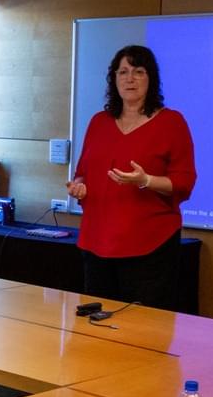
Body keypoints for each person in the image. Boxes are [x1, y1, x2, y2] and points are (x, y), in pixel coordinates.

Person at [67, 45, 196, 309]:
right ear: (113, 79)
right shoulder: (99, 122)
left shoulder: (172, 122)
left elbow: (184, 183)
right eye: (123, 72)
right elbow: (82, 174)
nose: (130, 78)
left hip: (149, 246)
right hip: (97, 242)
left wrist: (145, 180)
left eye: (138, 71)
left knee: (144, 333)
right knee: (97, 330)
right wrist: (79, 187)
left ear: (151, 79)